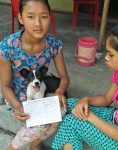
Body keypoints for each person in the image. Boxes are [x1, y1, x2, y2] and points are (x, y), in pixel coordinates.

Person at [52, 21, 118, 150]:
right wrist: (85, 100)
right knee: (70, 104)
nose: (106, 58)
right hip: (117, 119)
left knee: (71, 121)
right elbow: (106, 99)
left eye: (111, 54)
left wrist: (90, 117)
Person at [0, 0, 69, 149]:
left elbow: (64, 78)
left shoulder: (54, 44)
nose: (38, 23)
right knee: (41, 124)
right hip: (16, 96)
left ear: (50, 17)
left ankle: (34, 144)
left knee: (60, 113)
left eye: (43, 17)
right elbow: (5, 86)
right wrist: (17, 106)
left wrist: (59, 91)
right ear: (20, 18)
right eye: (30, 17)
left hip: (39, 96)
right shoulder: (8, 46)